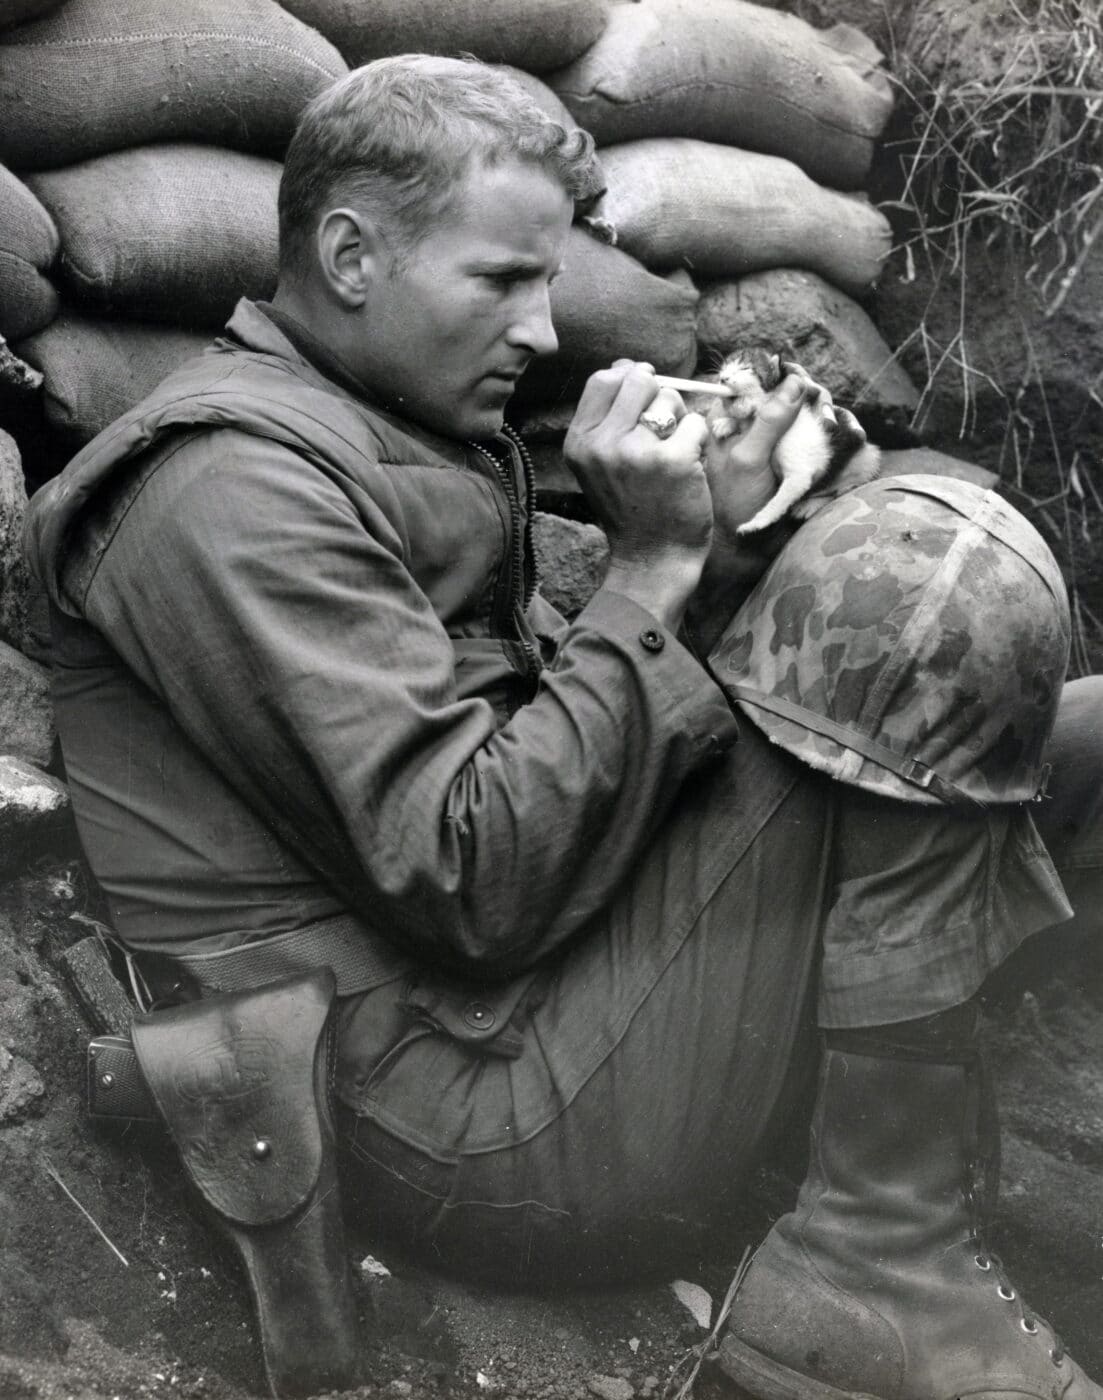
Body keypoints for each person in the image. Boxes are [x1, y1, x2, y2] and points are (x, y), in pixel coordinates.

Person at [24, 54, 1103, 1400]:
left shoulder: (381, 433)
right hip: (471, 1110)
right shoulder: (221, 485)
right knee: (923, 574)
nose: (543, 331)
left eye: (547, 281)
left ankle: (969, 1147)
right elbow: (472, 881)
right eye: (499, 281)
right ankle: (877, 1260)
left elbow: (560, 770)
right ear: (351, 254)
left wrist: (731, 552)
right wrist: (655, 571)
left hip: (545, 997)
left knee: (1081, 731)